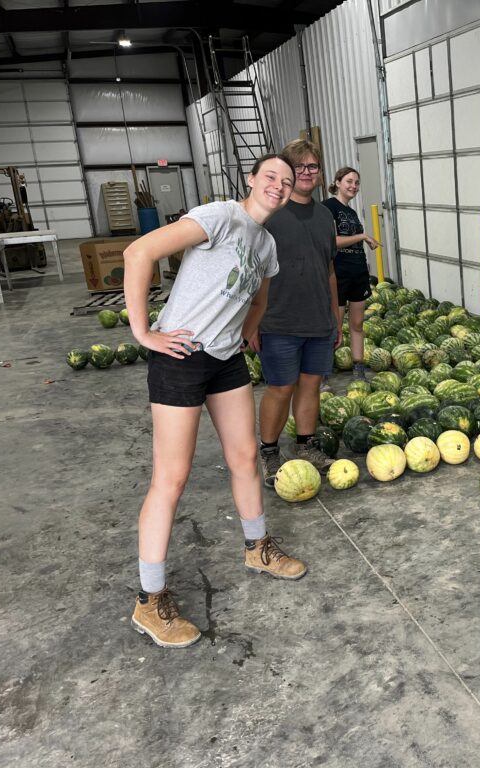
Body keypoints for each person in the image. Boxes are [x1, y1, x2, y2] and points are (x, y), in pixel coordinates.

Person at [124, 154, 308, 649]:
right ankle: (149, 599)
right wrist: (144, 331)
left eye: (286, 182)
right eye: (270, 176)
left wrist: (249, 328)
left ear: (290, 193)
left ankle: (257, 548)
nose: (278, 185)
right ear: (251, 180)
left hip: (224, 360)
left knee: (245, 457)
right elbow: (139, 253)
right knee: (172, 476)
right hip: (180, 356)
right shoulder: (220, 216)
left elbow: (261, 295)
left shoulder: (266, 244)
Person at [249, 139, 340, 486]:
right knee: (280, 388)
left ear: (319, 173)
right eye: (298, 167)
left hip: (318, 319)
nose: (305, 172)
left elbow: (329, 270)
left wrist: (336, 317)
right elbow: (253, 270)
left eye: (312, 166)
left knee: (310, 387)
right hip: (279, 321)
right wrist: (252, 321)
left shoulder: (325, 216)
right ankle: (269, 452)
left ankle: (306, 446)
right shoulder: (270, 215)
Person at [323, 166, 380, 381]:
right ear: (337, 182)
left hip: (358, 272)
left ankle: (358, 367)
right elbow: (332, 241)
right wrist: (363, 236)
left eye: (356, 183)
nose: (353, 186)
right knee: (334, 326)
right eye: (348, 181)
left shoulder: (352, 212)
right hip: (338, 273)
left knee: (357, 324)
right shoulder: (328, 208)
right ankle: (324, 374)